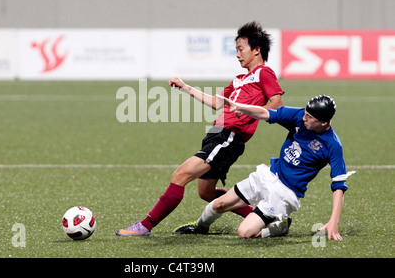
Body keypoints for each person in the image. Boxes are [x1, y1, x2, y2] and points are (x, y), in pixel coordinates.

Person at [116, 21, 284, 236]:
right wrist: (186, 87)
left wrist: (252, 110)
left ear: (256, 49)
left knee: (181, 175)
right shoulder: (239, 79)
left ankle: (145, 226)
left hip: (229, 136)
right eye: (236, 50)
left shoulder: (264, 73)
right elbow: (217, 103)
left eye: (241, 49)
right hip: (216, 133)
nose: (237, 54)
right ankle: (263, 217)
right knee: (206, 193)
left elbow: (276, 103)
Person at [174, 95, 355, 240]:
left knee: (245, 232)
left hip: (285, 193)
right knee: (217, 204)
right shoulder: (300, 117)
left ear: (324, 123)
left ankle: (280, 226)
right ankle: (200, 227)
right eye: (305, 113)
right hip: (268, 175)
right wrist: (241, 107)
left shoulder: (333, 145)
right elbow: (268, 114)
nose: (304, 118)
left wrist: (333, 222)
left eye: (310, 117)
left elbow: (338, 186)